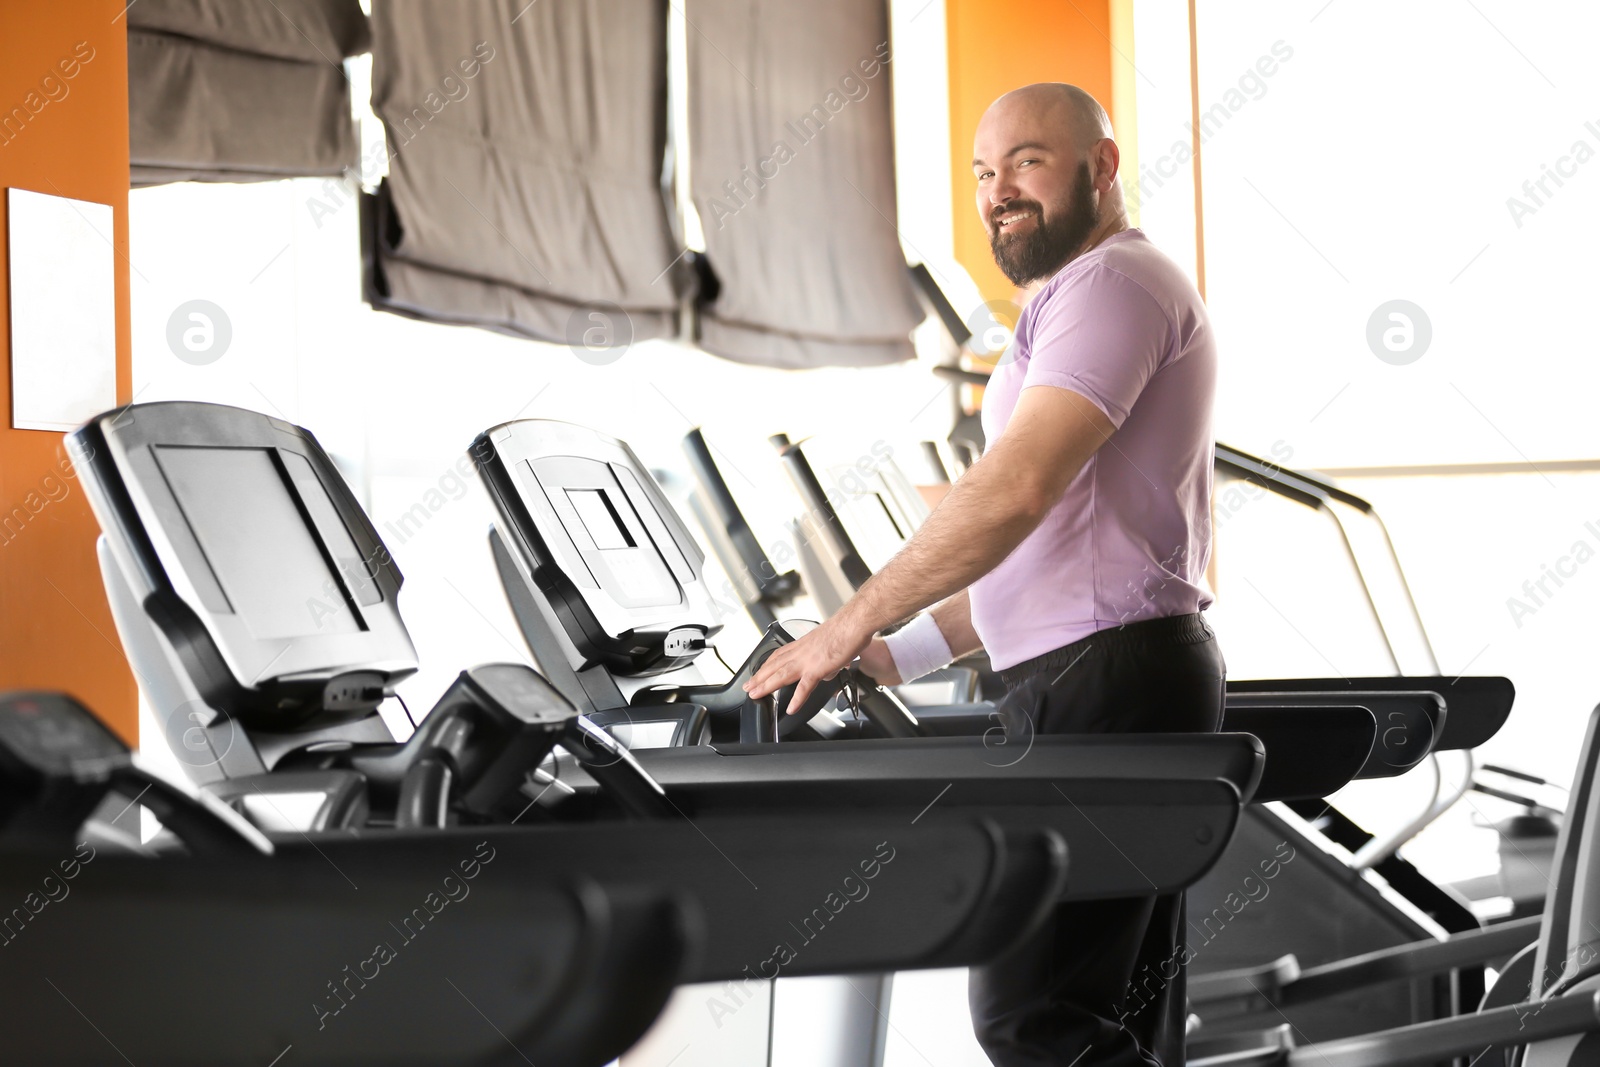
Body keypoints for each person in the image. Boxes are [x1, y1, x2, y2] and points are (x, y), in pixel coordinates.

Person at [745, 82, 1222, 1065]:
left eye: (1026, 162)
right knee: (1108, 1017)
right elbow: (1039, 554)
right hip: (1101, 670)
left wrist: (841, 627)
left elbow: (1014, 490)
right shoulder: (1069, 298)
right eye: (980, 172)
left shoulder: (1111, 287)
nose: (996, 190)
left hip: (1105, 681)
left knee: (1036, 1017)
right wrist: (889, 654)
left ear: (1100, 165)